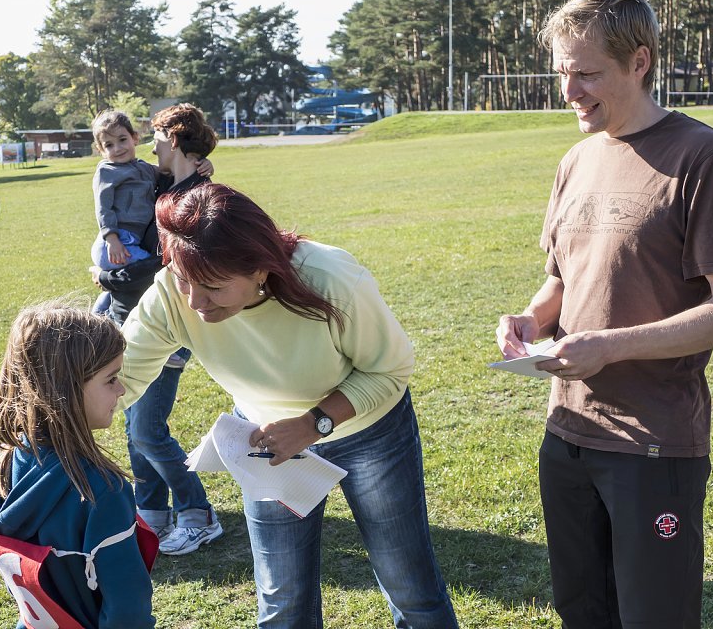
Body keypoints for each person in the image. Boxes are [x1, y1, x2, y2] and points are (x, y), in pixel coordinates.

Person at [495, 0, 713, 627]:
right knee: (583, 611)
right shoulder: (576, 159)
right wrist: (532, 319)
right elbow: (559, 278)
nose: (569, 91)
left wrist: (608, 346)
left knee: (654, 617)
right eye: (562, 71)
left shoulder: (704, 156)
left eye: (587, 73)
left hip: (652, 444)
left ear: (639, 61)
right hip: (566, 435)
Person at [120, 183, 460, 628]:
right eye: (184, 280)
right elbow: (121, 374)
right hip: (268, 443)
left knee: (409, 585)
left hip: (369, 433)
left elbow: (389, 370)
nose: (194, 303)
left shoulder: (330, 277)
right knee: (282, 600)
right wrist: (51, 427)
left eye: (214, 288)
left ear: (261, 269)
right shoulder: (172, 293)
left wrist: (315, 423)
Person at [91, 103, 223, 556]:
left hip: (169, 330)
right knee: (134, 425)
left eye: (156, 136)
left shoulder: (195, 196)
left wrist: (107, 275)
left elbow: (169, 267)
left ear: (174, 138)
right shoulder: (166, 184)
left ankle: (197, 512)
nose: (148, 144)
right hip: (136, 319)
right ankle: (151, 509)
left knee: (147, 430)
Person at [0, 302, 156, 628]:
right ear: (66, 389)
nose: (122, 388)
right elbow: (128, 610)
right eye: (111, 378)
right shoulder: (102, 489)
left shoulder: (4, 466)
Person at [89, 110, 159, 314]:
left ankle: (99, 314)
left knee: (128, 281)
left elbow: (169, 169)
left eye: (122, 140)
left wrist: (203, 163)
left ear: (135, 138)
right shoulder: (107, 171)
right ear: (101, 150)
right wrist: (112, 238)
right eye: (109, 145)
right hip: (114, 243)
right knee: (151, 271)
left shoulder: (144, 168)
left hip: (129, 241)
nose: (117, 148)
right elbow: (103, 207)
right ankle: (101, 312)